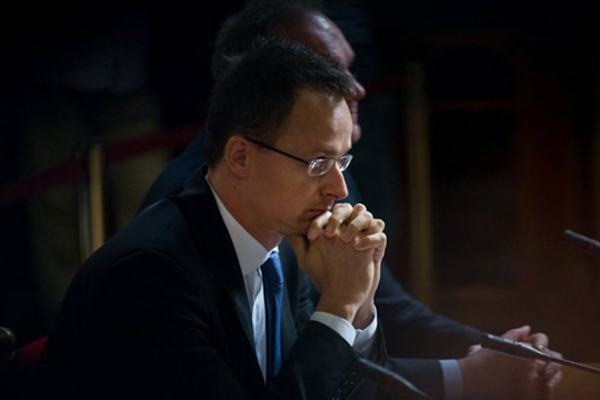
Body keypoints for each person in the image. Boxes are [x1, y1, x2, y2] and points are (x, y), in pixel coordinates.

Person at [139, 1, 563, 400]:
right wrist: (467, 377)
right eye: (326, 73)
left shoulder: (320, 172)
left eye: (348, 69)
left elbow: (367, 334)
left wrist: (494, 351)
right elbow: (288, 375)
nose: (356, 89)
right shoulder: (184, 228)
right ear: (260, 82)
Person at [37, 39, 387, 399]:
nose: (339, 189)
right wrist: (339, 306)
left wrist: (359, 309)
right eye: (318, 163)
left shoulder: (284, 248)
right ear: (240, 157)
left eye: (342, 161)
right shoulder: (152, 275)